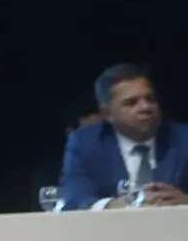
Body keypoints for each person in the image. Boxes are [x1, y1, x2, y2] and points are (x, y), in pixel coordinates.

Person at [58, 65, 188, 209]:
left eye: (150, 99)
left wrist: (185, 201)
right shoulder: (86, 142)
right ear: (107, 114)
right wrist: (113, 206)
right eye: (131, 103)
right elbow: (75, 196)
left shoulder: (183, 138)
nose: (145, 107)